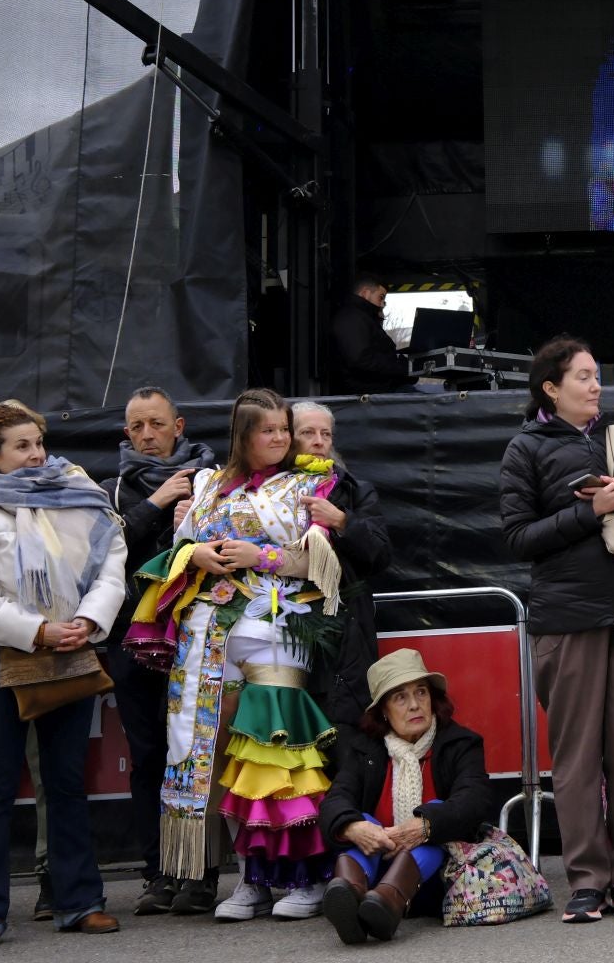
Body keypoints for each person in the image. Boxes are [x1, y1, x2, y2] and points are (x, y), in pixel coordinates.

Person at [123, 388, 346, 920]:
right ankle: (250, 880)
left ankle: (306, 878)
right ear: (243, 436)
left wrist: (259, 555)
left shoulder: (311, 483)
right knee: (215, 758)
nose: (280, 438)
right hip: (205, 636)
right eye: (268, 430)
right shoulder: (206, 485)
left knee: (276, 754)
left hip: (274, 625)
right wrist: (193, 552)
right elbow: (176, 549)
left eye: (283, 429)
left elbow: (319, 559)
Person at [498, 336, 614, 924]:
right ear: (551, 388)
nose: (596, 385)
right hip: (566, 615)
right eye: (582, 376)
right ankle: (584, 881)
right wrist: (590, 512)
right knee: (576, 756)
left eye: (597, 375)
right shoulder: (524, 447)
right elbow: (518, 537)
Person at [0, 402, 126, 950]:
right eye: (21, 446)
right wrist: (36, 631)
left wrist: (89, 620)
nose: (36, 454)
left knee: (66, 780)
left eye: (38, 442)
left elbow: (109, 561)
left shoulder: (78, 493)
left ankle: (79, 900)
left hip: (71, 647)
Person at [111, 386, 218, 916]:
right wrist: (154, 507)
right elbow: (104, 556)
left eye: (156, 424)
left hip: (198, 638)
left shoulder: (215, 482)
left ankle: (199, 874)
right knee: (149, 755)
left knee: (197, 757)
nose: (147, 435)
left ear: (179, 426)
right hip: (133, 642)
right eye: (137, 426)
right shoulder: (111, 491)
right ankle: (157, 873)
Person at [317, 650, 492, 944]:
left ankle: (388, 901)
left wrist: (424, 827)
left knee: (435, 815)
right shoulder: (365, 749)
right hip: (376, 867)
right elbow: (335, 801)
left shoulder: (459, 743)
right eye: (400, 697)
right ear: (383, 710)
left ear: (431, 698)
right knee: (362, 820)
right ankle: (350, 896)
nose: (414, 705)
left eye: (421, 693)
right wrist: (354, 828)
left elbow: (475, 799)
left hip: (440, 878)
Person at [289, 402, 395, 727]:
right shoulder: (263, 490)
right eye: (308, 433)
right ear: (287, 437)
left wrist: (342, 521)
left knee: (342, 729)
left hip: (343, 628)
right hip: (281, 621)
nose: (319, 441)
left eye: (326, 434)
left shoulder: (355, 490)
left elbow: (380, 555)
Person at [332, 274, 416, 394]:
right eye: (381, 297)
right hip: (370, 395)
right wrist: (402, 368)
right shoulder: (352, 318)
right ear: (365, 293)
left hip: (378, 390)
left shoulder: (361, 318)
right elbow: (361, 359)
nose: (382, 304)